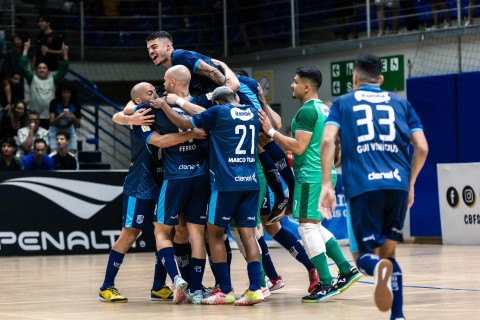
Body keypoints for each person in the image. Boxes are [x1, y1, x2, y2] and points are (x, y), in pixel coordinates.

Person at [318, 54, 428, 318]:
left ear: (354, 79)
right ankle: (398, 315)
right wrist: (410, 184)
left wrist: (326, 184)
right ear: (380, 79)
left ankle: (377, 267)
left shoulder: (343, 103)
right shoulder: (401, 103)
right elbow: (422, 147)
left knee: (364, 256)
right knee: (389, 254)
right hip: (397, 185)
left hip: (364, 186)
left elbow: (327, 142)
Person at [258, 66, 361, 303]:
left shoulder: (306, 111)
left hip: (310, 175)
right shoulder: (324, 109)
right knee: (314, 226)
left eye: (295, 82)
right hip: (323, 173)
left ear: (307, 86)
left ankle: (326, 282)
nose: (291, 86)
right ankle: (346, 270)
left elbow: (298, 147)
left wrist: (270, 131)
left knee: (306, 228)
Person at [155, 86, 264, 306]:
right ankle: (255, 289)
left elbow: (185, 124)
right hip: (250, 182)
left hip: (225, 184)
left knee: (214, 236)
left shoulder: (218, 112)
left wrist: (165, 105)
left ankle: (225, 290)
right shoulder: (252, 111)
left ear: (216, 103)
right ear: (234, 97)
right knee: (249, 236)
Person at [99, 81, 204, 304]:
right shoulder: (141, 115)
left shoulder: (164, 111)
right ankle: (106, 286)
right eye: (150, 92)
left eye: (156, 90)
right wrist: (191, 134)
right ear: (138, 100)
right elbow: (160, 140)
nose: (155, 94)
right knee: (130, 234)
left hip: (164, 183)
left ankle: (159, 286)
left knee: (167, 231)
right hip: (140, 186)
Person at [128, 72, 211, 305]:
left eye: (161, 85)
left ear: (173, 83)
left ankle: (176, 279)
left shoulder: (157, 110)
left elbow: (161, 140)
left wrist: (128, 116)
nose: (158, 90)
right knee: (191, 233)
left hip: (176, 177)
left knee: (162, 231)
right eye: (152, 91)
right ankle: (194, 288)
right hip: (201, 176)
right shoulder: (195, 105)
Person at [20, 39, 69, 129]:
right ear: (36, 70)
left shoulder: (53, 79)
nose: (42, 69)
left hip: (49, 117)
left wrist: (65, 52)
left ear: (48, 71)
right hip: (34, 117)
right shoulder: (32, 78)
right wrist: (26, 48)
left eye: (44, 68)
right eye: (39, 68)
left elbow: (64, 68)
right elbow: (23, 66)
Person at [48, 81, 81, 154]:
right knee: (54, 153)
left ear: (71, 93)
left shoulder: (76, 104)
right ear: (60, 93)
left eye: (68, 92)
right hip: (55, 129)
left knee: (72, 154)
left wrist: (73, 118)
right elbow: (51, 122)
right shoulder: (54, 103)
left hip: (69, 129)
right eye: (64, 92)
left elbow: (78, 125)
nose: (66, 95)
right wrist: (60, 117)